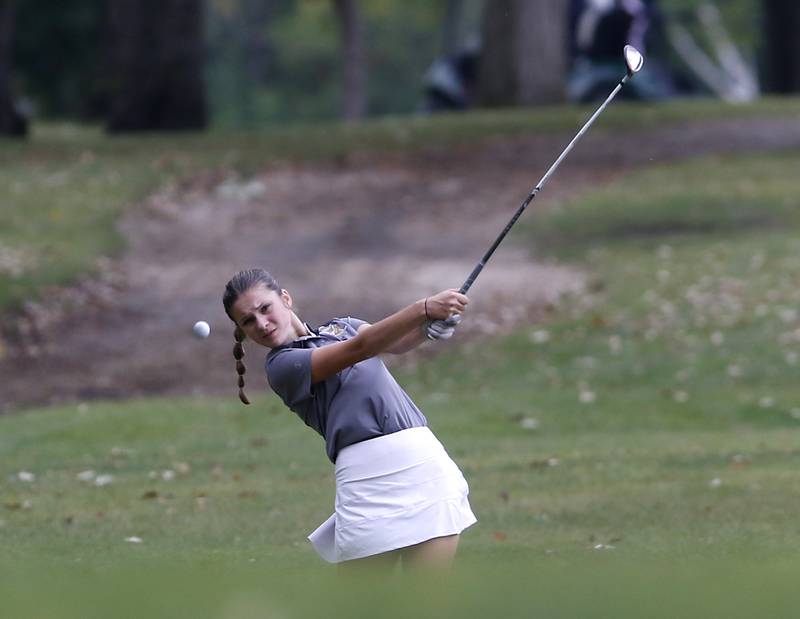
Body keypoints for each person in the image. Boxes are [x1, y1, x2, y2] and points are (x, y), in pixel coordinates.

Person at [222, 268, 477, 569]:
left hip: (424, 466)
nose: (262, 324)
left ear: (285, 299)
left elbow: (391, 343)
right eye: (248, 321)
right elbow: (362, 348)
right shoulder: (283, 366)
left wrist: (426, 329)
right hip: (366, 482)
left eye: (265, 308)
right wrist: (422, 309)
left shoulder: (342, 327)